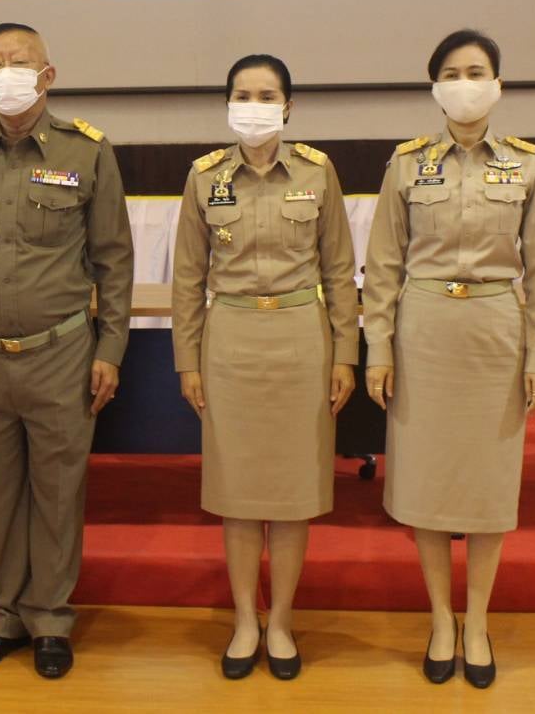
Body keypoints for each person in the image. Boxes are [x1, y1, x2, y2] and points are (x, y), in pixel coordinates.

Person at [0, 22, 134, 680]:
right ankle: (0, 618)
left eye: (19, 62)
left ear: (48, 75)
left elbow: (113, 260)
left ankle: (50, 621)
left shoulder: (87, 151)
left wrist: (111, 349)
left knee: (57, 492)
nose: (5, 73)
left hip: (61, 353)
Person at [362, 28, 535, 689]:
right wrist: (377, 348)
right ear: (434, 86)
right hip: (423, 331)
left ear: (497, 84)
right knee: (425, 481)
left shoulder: (526, 164)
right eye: (451, 73)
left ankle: (477, 620)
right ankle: (440, 618)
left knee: (486, 483)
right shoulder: (406, 163)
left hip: (495, 331)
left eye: (476, 71)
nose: (464, 83)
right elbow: (382, 267)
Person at [170, 54, 358, 682]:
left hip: (302, 339)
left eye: (267, 95)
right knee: (240, 492)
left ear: (288, 107)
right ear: (228, 104)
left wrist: (346, 353)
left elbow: (340, 271)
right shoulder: (205, 177)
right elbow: (187, 278)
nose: (254, 106)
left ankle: (280, 619)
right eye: (243, 95)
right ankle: (244, 619)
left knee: (293, 493)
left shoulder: (317, 172)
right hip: (230, 341)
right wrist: (188, 361)